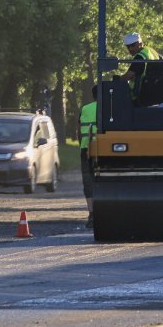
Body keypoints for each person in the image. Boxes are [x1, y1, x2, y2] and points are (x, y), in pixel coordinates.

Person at [121, 32, 163, 104]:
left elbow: (128, 76)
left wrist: (117, 80)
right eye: (128, 46)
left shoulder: (140, 57)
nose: (130, 48)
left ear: (140, 43)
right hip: (158, 96)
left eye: (133, 45)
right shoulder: (150, 51)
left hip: (139, 97)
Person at [78, 85, 97, 228]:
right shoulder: (109, 108)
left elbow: (78, 130)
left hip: (86, 148)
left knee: (88, 181)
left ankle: (91, 213)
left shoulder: (85, 108)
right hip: (104, 150)